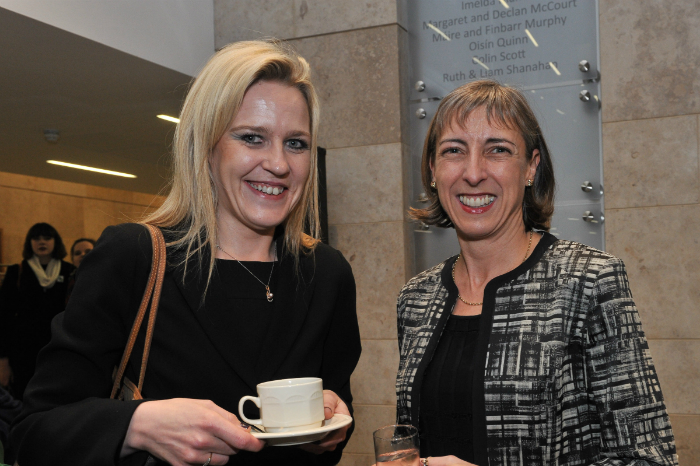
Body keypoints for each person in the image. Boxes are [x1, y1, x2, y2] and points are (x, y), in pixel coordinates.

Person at [10, 40, 361, 466]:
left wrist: (331, 423)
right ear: (206, 146)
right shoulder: (134, 257)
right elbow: (34, 434)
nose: (279, 164)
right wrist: (138, 424)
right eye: (252, 137)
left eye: (296, 144)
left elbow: (336, 418)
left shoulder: (327, 274)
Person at [394, 80, 677, 466]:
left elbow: (650, 459)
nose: (473, 172)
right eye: (453, 151)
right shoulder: (416, 299)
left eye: (498, 150)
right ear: (432, 170)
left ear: (530, 167)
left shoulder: (589, 281)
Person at [0, 223, 75, 401]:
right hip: (22, 352)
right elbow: (3, 317)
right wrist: (3, 360)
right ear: (29, 242)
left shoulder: (70, 271)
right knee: (23, 399)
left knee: (57, 399)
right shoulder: (16, 271)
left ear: (55, 242)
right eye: (36, 238)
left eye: (47, 238)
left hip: (58, 349)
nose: (42, 242)